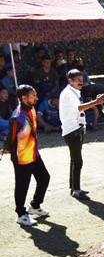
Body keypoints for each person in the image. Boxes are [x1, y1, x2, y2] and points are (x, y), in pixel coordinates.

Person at [2, 85, 50, 226]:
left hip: (33, 154)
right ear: (24, 98)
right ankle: (21, 214)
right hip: (22, 157)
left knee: (44, 178)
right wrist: (6, 149)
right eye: (33, 96)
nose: (36, 97)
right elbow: (10, 136)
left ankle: (35, 206)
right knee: (22, 185)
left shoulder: (32, 109)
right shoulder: (17, 117)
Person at [59, 69, 104, 200]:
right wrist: (96, 103)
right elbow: (79, 108)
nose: (81, 83)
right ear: (70, 81)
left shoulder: (73, 91)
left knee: (75, 160)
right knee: (77, 161)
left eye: (82, 80)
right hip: (72, 130)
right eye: (78, 81)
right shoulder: (69, 93)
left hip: (75, 129)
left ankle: (74, 187)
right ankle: (76, 190)